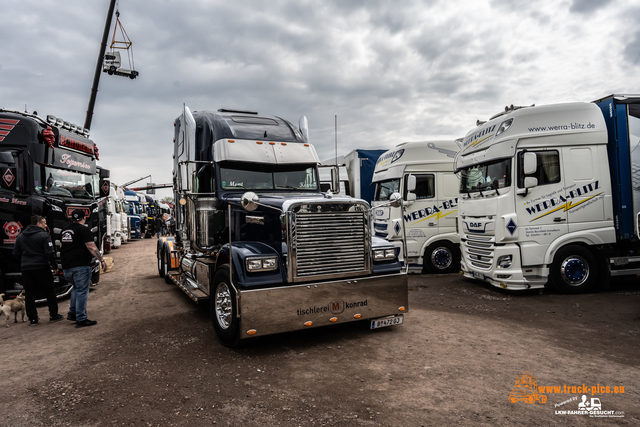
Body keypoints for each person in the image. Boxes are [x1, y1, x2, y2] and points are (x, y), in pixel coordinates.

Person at [12, 215, 64, 325]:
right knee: (50, 291)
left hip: (27, 269)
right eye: (44, 223)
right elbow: (50, 253)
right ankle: (53, 315)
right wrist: (54, 266)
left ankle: (33, 318)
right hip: (42, 267)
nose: (46, 225)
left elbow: (15, 254)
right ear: (38, 224)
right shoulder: (44, 236)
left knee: (29, 293)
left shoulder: (20, 236)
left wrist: (23, 263)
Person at [60, 209, 107, 328]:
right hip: (80, 265)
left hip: (67, 266)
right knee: (82, 291)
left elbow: (61, 246)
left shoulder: (65, 230)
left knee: (76, 288)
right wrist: (101, 260)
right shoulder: (84, 230)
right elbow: (91, 247)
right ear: (84, 218)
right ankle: (81, 318)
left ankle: (72, 313)